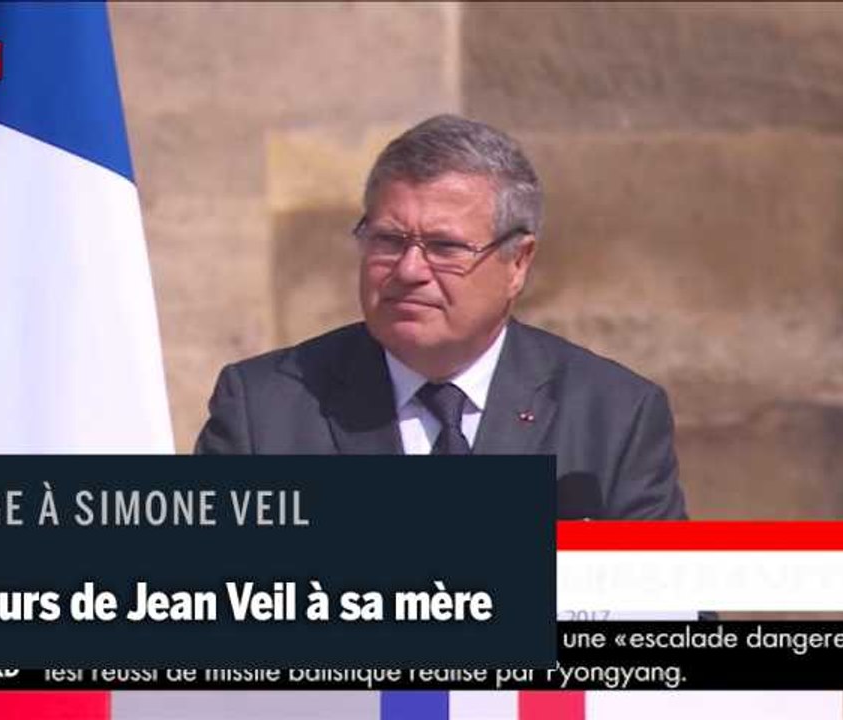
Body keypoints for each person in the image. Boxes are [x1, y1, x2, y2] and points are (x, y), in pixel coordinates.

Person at [196, 114, 685, 520]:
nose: (409, 270)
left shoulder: (614, 414)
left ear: (518, 262)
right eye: (388, 240)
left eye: (445, 247)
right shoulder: (264, 410)